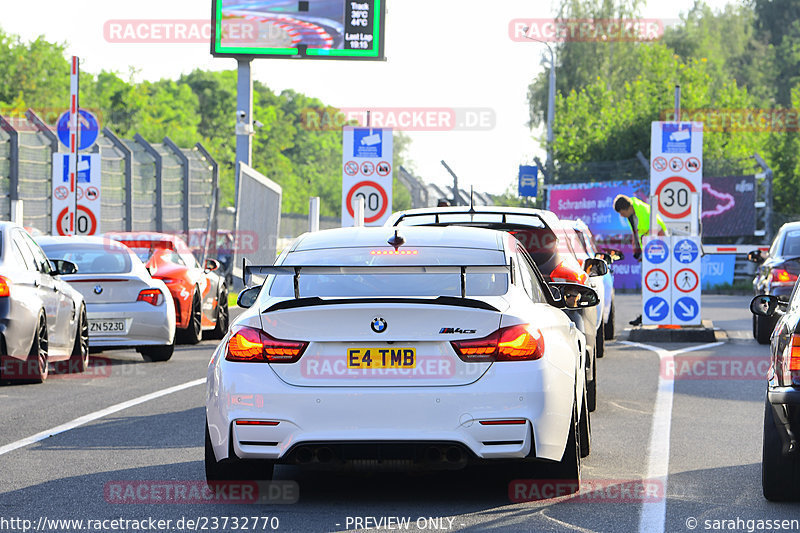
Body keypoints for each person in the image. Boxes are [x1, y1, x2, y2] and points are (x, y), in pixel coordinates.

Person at [613, 194, 668, 326]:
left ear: (627, 208)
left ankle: (653, 314)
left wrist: (643, 253)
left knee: (653, 283)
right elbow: (637, 234)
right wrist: (638, 252)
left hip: (656, 251)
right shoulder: (635, 210)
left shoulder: (641, 212)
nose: (622, 216)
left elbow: (647, 233)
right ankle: (649, 313)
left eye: (622, 213)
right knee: (651, 283)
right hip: (652, 252)